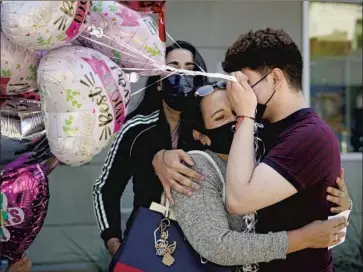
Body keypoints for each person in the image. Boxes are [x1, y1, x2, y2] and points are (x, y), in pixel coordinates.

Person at [168, 83, 350, 271]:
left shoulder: (264, 152)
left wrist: (342, 207)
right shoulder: (195, 168)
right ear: (201, 136)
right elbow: (217, 245)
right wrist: (303, 238)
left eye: (235, 110)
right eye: (220, 117)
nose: (235, 121)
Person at [221, 28, 350, 271]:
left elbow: (239, 201)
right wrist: (163, 157)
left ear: (276, 78)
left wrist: (246, 115)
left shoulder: (311, 138)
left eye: (248, 84)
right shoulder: (260, 126)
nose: (241, 94)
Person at [92, 40, 207, 256]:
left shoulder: (209, 128)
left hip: (200, 246)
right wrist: (114, 243)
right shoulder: (137, 128)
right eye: (172, 69)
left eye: (189, 70)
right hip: (146, 241)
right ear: (159, 81)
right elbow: (105, 189)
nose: (181, 77)